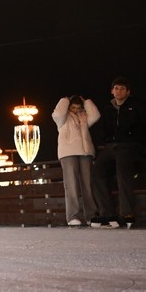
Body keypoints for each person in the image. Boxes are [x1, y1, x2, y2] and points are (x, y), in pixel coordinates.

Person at [90, 77, 146, 229]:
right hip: (110, 146)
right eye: (116, 88)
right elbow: (103, 129)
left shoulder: (137, 106)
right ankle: (107, 213)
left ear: (128, 91)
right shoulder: (108, 108)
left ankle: (126, 213)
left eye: (122, 88)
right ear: (112, 91)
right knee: (97, 172)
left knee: (123, 173)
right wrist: (106, 141)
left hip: (128, 145)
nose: (118, 91)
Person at [51, 95, 101, 226]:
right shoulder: (62, 119)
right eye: (73, 107)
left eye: (78, 108)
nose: (75, 110)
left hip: (85, 152)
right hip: (68, 153)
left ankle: (91, 215)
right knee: (71, 184)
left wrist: (86, 101)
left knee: (87, 184)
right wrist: (65, 99)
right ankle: (72, 216)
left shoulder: (83, 116)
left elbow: (95, 115)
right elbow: (58, 112)